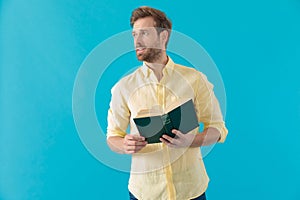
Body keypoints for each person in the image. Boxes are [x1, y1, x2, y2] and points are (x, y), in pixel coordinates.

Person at [106, 6, 228, 200]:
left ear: (164, 36)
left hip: (191, 190)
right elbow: (113, 137)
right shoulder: (123, 87)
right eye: (134, 35)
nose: (137, 41)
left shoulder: (195, 79)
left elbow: (218, 128)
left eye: (144, 33)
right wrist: (124, 145)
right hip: (145, 193)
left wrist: (190, 141)